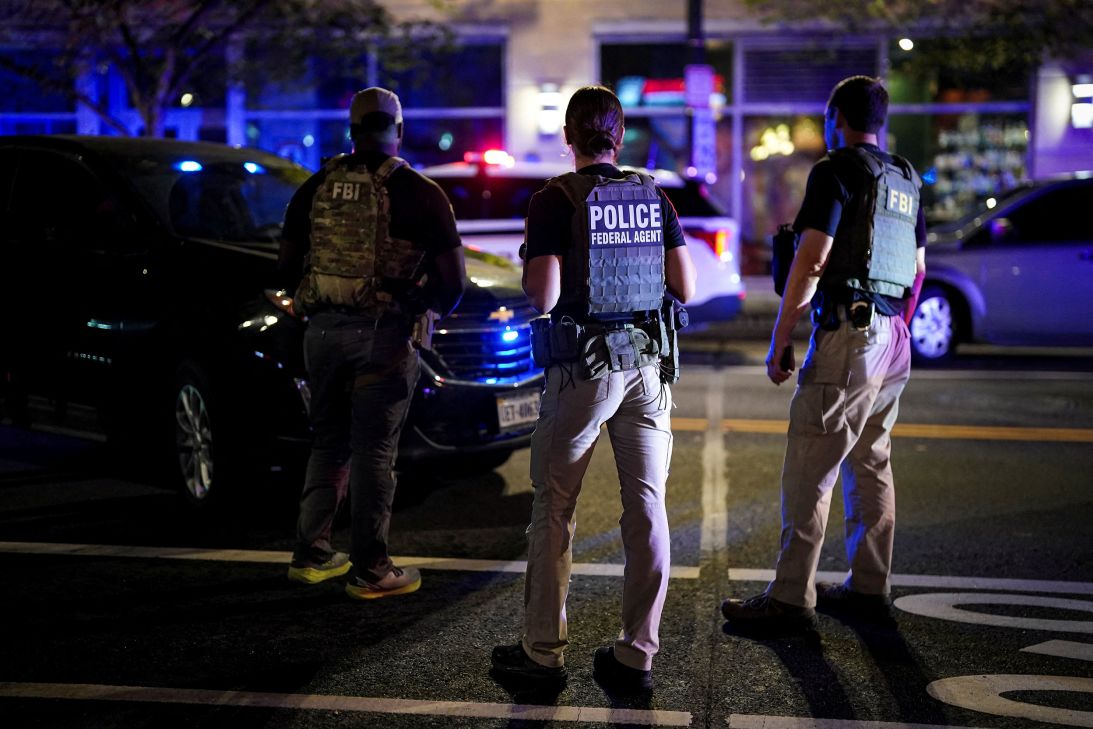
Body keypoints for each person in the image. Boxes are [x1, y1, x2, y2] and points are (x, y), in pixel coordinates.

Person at [490, 86, 697, 691]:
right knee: (648, 507)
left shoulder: (556, 198)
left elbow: (544, 296)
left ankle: (543, 652)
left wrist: (534, 254)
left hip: (584, 370)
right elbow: (682, 284)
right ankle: (637, 653)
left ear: (569, 136)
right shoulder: (654, 197)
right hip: (649, 368)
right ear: (620, 135)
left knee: (555, 506)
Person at [721, 76, 926, 630]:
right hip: (892, 336)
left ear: (835, 116)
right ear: (879, 120)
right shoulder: (904, 178)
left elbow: (811, 261)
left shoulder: (835, 170)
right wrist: (894, 332)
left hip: (849, 336)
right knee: (872, 462)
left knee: (813, 466)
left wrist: (780, 335)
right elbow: (918, 270)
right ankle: (868, 585)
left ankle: (790, 599)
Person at [279, 87, 465, 599]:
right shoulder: (420, 192)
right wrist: (420, 309)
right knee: (374, 453)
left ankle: (312, 554)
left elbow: (286, 265)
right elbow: (454, 281)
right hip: (382, 336)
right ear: (398, 131)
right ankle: (372, 569)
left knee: (328, 444)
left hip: (320, 334)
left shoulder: (315, 186)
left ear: (352, 130)